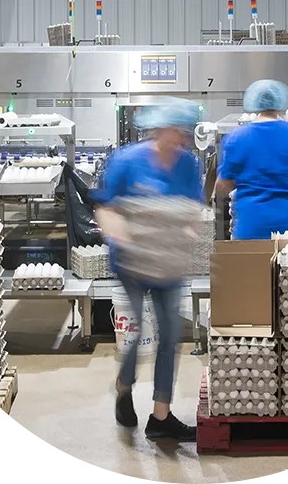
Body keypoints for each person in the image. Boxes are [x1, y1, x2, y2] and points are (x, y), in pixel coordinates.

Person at [92, 98, 202, 442]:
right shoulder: (127, 161)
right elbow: (106, 209)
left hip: (168, 264)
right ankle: (124, 389)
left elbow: (193, 211)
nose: (180, 138)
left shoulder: (188, 165)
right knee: (138, 335)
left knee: (170, 336)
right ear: (159, 129)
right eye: (175, 131)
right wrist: (122, 237)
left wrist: (185, 236)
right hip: (132, 263)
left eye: (184, 133)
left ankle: (161, 416)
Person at [215, 79, 288, 240]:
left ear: (252, 101)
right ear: (281, 102)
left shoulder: (237, 138)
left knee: (253, 264)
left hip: (254, 224)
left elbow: (223, 184)